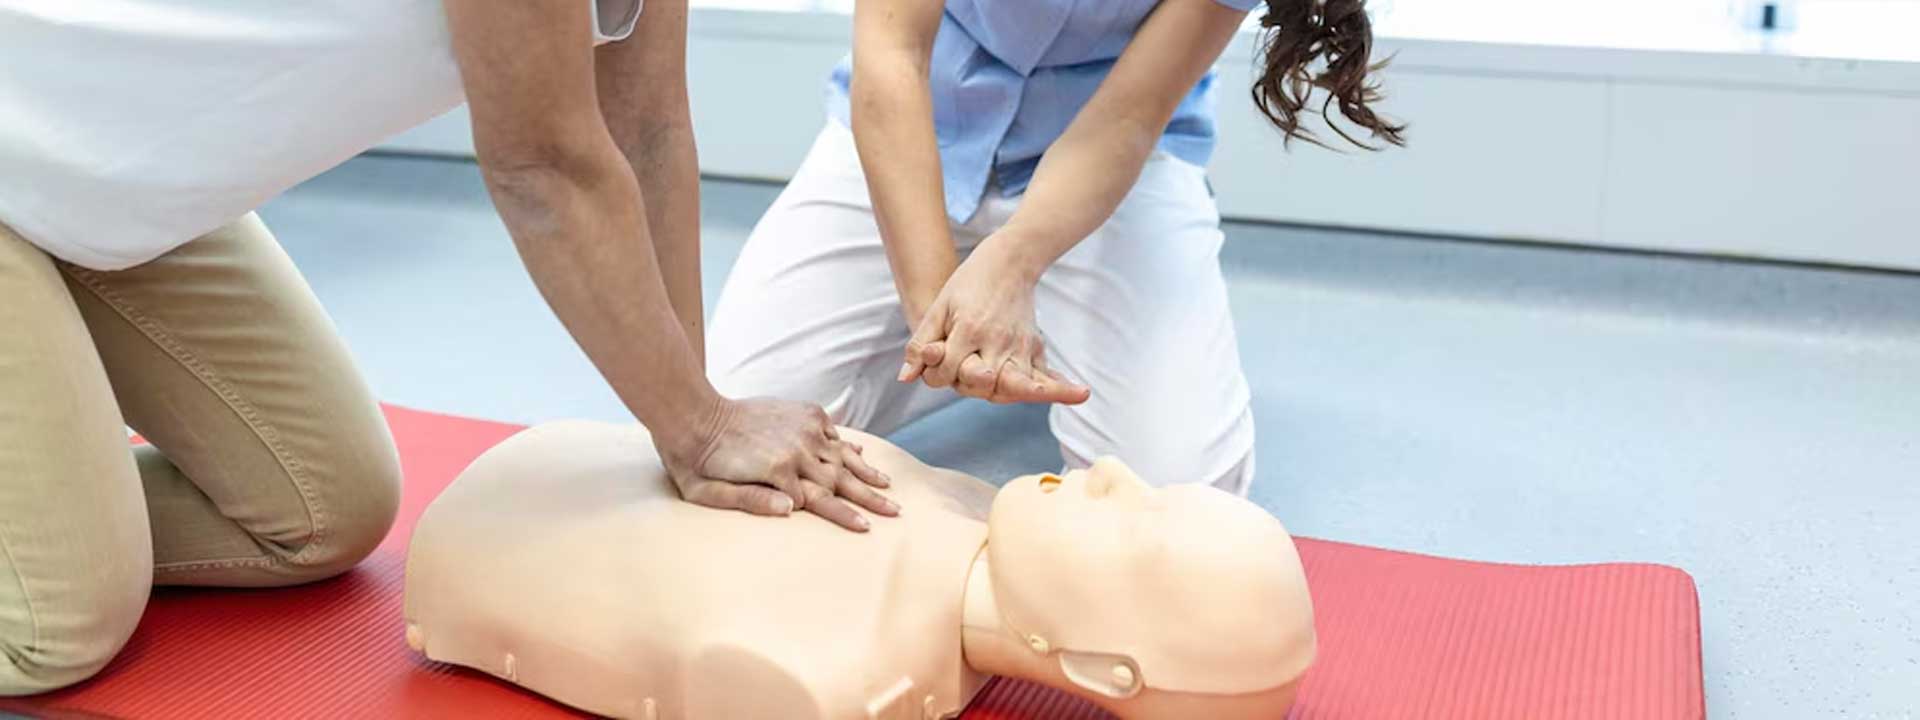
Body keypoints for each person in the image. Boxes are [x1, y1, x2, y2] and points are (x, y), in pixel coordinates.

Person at [0, 0, 885, 696]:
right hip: (25, 139)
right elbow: (541, 166)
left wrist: (688, 425)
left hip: (100, 176)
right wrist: (701, 425)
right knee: (61, 624)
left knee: (318, 511)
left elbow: (645, 129)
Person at [708, 0, 1405, 495]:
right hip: (919, 121)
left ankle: (1022, 335)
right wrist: (939, 317)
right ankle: (985, 351)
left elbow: (1128, 117)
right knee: (735, 429)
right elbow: (893, 56)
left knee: (1177, 496)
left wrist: (1014, 261)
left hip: (1109, 161)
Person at [404, 420, 1316, 719]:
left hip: (487, 532)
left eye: (1137, 527)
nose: (1112, 472)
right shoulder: (962, 502)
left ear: (1103, 670)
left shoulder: (831, 673)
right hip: (524, 491)